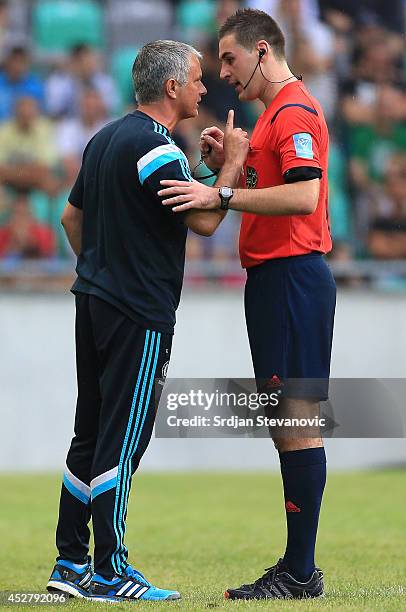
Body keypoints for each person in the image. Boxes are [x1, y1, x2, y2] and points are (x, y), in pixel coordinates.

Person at [46, 39, 249, 603]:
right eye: (197, 80)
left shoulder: (105, 139)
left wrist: (100, 271)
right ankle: (110, 571)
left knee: (88, 433)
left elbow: (70, 217)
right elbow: (206, 224)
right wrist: (231, 161)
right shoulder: (157, 148)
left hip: (92, 303)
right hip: (138, 312)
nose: (204, 89)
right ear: (171, 88)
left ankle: (68, 564)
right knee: (122, 438)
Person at [159, 8, 336, 600]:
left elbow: (306, 194)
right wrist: (228, 166)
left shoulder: (295, 110)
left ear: (263, 51)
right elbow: (263, 188)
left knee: (297, 420)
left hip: (291, 277)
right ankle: (297, 567)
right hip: (273, 280)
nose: (223, 71)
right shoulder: (269, 119)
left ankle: (300, 572)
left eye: (230, 59)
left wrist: (224, 190)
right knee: (286, 420)